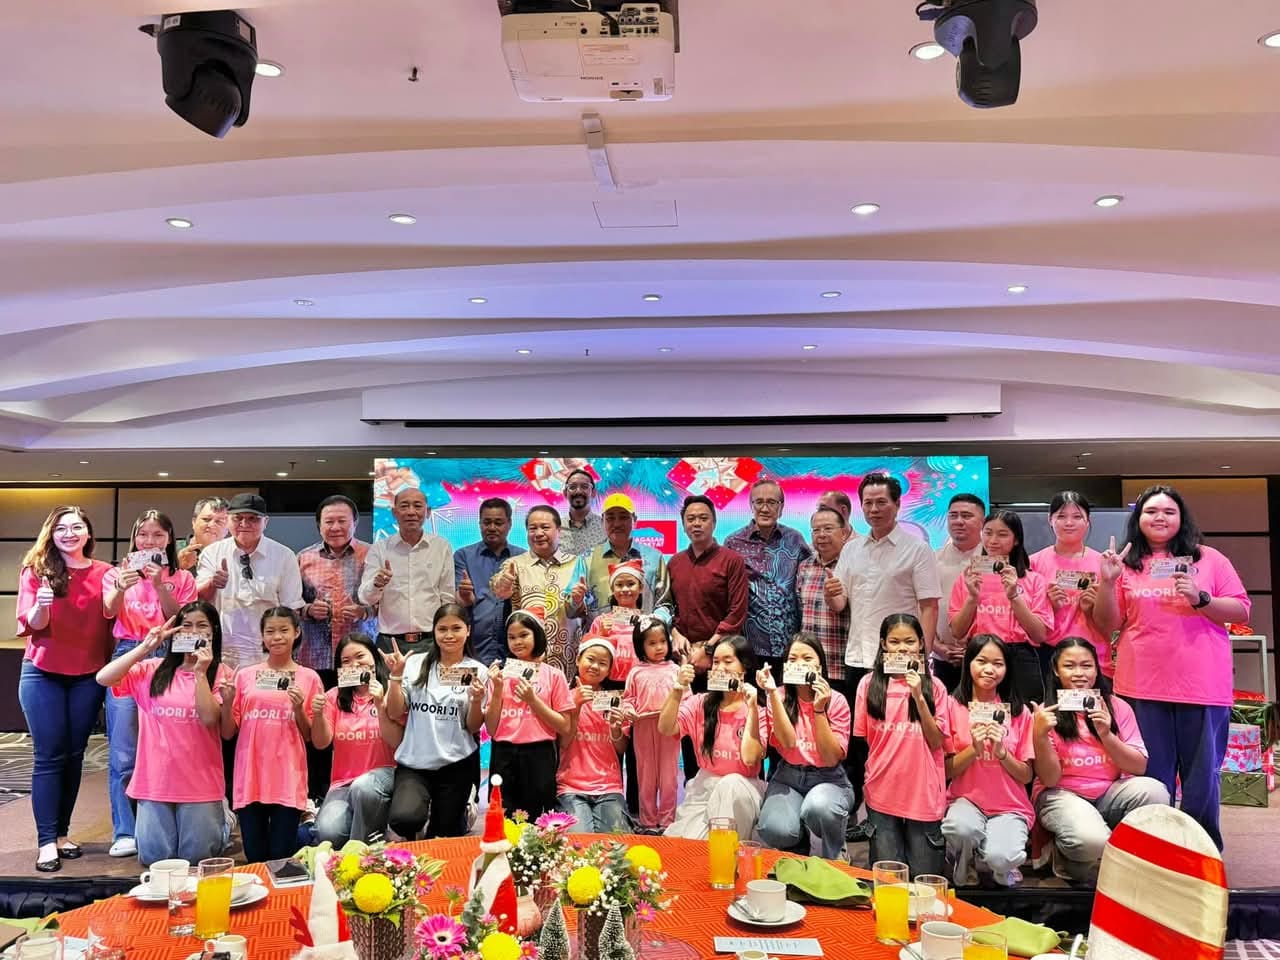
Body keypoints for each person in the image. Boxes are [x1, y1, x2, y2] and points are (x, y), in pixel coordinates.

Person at [1093, 485, 1250, 850]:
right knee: (1152, 778)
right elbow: (1107, 623)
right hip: (1141, 686)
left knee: (1202, 779)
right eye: (1151, 511)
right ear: (1138, 518)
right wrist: (1108, 582)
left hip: (1202, 686)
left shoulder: (1209, 559)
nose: (1159, 518)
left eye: (1168, 511)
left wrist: (1201, 597)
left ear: (1181, 518)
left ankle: (1200, 851)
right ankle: (1154, 851)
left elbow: (1241, 609)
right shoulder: (1127, 564)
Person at [827, 473, 941, 841]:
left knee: (900, 740)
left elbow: (929, 606)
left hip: (902, 663)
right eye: (868, 503)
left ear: (897, 504)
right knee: (858, 743)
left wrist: (922, 658)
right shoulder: (852, 550)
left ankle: (900, 814)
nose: (874, 509)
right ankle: (858, 815)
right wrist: (831, 593)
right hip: (858, 657)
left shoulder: (916, 549)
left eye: (882, 502)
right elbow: (841, 603)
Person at [17, 506, 115, 872]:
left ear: (88, 533)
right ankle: (46, 841)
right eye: (61, 528)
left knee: (75, 755)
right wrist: (42, 606)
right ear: (51, 533)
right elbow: (33, 624)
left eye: (76, 527)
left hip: (88, 675)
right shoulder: (36, 569)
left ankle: (61, 834)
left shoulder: (105, 573)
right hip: (42, 672)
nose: (69, 533)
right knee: (49, 755)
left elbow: (112, 615)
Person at [95, 601, 229, 866]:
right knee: (155, 858)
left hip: (201, 784)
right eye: (186, 625)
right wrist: (146, 647)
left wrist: (200, 673)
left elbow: (209, 718)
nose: (193, 632)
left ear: (213, 631)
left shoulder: (221, 673)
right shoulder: (152, 669)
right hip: (155, 783)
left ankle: (223, 818)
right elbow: (103, 678)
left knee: (198, 858)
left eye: (201, 625)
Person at [1031, 637, 1170, 884]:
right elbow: (1050, 779)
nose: (1079, 673)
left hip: (1110, 792)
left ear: (1097, 669)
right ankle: (1067, 853)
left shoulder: (1117, 707)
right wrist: (1040, 736)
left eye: (1086, 665)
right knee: (1090, 842)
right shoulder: (1046, 713)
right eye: (1069, 666)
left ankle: (1106, 852)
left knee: (1155, 792)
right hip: (1062, 794)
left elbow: (1139, 767)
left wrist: (1106, 734)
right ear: (1056, 671)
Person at [101, 510, 198, 858]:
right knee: (124, 747)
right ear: (134, 538)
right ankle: (125, 830)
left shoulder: (182, 577)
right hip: (130, 652)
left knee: (171, 742)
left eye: (158, 535)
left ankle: (162, 821)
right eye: (143, 534)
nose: (150, 541)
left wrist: (159, 585)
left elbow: (181, 618)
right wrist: (120, 588)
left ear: (169, 539)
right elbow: (108, 611)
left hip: (171, 655)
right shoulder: (116, 573)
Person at [220, 606, 323, 863]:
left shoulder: (309, 677)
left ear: (296, 632)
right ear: (263, 636)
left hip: (287, 776)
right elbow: (228, 731)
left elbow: (310, 736)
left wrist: (299, 708)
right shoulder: (244, 676)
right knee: (255, 857)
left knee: (280, 857)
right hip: (250, 776)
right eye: (270, 631)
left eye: (283, 630)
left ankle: (307, 834)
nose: (277, 637)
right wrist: (227, 702)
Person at [853, 614, 951, 876]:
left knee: (925, 880)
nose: (902, 648)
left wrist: (918, 697)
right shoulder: (867, 685)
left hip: (923, 795)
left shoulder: (936, 688)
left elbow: (936, 741)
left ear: (921, 644)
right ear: (883, 644)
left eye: (909, 641)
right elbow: (867, 739)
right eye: (894, 642)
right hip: (882, 792)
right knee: (888, 880)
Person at [383, 604, 486, 839]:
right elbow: (395, 711)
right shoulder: (414, 663)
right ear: (434, 631)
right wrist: (396, 676)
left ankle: (464, 808)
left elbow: (472, 727)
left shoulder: (478, 671)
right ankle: (423, 810)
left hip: (456, 763)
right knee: (404, 820)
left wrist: (477, 699)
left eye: (456, 628)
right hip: (415, 763)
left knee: (445, 835)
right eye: (442, 629)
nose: (449, 635)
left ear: (468, 630)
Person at [666, 495, 749, 782]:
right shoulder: (675, 562)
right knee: (691, 727)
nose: (697, 524)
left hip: (722, 661)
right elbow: (670, 608)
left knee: (724, 725)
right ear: (683, 524)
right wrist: (675, 633)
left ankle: (731, 785)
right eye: (691, 519)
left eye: (703, 518)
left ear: (714, 522)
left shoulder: (732, 561)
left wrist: (710, 650)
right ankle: (694, 786)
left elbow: (737, 612)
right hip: (686, 662)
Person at [942, 634, 1034, 887]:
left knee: (1001, 858)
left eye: (998, 663)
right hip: (965, 800)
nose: (989, 669)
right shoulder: (951, 706)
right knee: (960, 829)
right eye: (981, 661)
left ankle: (999, 861)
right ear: (968, 663)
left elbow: (1026, 775)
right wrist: (974, 749)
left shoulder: (1020, 712)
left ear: (1007, 669)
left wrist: (1002, 753)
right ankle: (964, 860)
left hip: (1010, 806)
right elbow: (945, 771)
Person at [661, 635, 768, 840]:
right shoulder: (700, 703)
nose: (720, 668)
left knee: (730, 785)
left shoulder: (758, 710)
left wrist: (752, 709)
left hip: (742, 789)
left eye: (728, 661)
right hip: (704, 788)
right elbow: (666, 729)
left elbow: (750, 758)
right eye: (716, 662)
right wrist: (677, 688)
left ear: (744, 667)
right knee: (684, 844)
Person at [756, 633, 853, 860]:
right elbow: (787, 742)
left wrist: (819, 709)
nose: (799, 664)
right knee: (774, 828)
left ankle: (836, 851)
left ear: (820, 665)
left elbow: (831, 758)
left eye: (807, 658)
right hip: (788, 775)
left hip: (829, 778)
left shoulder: (836, 700)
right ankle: (798, 846)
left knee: (819, 807)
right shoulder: (778, 696)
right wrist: (771, 692)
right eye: (793, 659)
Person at [948, 510, 1052, 705]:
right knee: (980, 715)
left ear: (1016, 540)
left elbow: (1039, 635)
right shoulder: (968, 578)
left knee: (1023, 717)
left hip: (1020, 658)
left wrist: (1014, 596)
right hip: (979, 654)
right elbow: (957, 631)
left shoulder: (1034, 580)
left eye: (1002, 534)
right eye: (988, 533)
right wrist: (972, 597)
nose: (993, 541)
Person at [310, 633, 399, 846]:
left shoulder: (391, 691)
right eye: (346, 661)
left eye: (360, 656)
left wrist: (380, 706)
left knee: (364, 787)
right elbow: (321, 743)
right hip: (344, 784)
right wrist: (318, 714)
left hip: (388, 776)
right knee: (328, 832)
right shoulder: (333, 696)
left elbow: (397, 741)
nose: (355, 664)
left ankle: (361, 853)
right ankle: (377, 833)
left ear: (374, 658)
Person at [197, 493, 304, 668]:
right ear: (228, 520)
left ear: (265, 522)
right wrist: (213, 584)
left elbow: (291, 610)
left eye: (253, 519)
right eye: (238, 518)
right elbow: (199, 600)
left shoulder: (284, 556)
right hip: (223, 652)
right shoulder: (212, 553)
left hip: (268, 653)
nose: (244, 524)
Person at [484, 611, 573, 819]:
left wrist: (533, 700)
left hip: (539, 754)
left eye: (524, 635)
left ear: (537, 635)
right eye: (511, 637)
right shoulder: (499, 676)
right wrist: (497, 691)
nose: (517, 642)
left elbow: (564, 726)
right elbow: (491, 729)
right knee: (505, 821)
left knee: (539, 821)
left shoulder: (554, 675)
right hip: (503, 754)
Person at [359, 486, 455, 659]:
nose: (411, 512)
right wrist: (377, 584)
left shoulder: (442, 547)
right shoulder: (379, 549)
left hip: (431, 640)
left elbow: (447, 598)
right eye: (404, 506)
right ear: (394, 512)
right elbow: (365, 598)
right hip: (390, 642)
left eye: (417, 506)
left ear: (428, 512)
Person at [489, 506, 584, 679]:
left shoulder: (578, 563)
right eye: (532, 528)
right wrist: (503, 584)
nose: (538, 533)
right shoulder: (514, 564)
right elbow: (500, 591)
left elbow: (585, 609)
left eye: (545, 527)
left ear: (559, 531)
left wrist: (578, 600)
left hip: (568, 656)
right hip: (526, 660)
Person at [724, 479, 812, 667]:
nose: (765, 508)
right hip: (750, 645)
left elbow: (809, 579)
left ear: (781, 507)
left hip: (791, 645)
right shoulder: (733, 543)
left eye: (772, 502)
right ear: (751, 505)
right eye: (759, 502)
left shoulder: (795, 540)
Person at [1030, 492, 1109, 681]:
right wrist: (1049, 606)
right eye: (1061, 516)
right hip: (1047, 654)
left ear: (1088, 521)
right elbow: (1026, 619)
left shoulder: (1103, 564)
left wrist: (1092, 609)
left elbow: (1113, 624)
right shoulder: (1033, 563)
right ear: (1050, 520)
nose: (1069, 523)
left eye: (1077, 516)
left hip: (1093, 655)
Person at [557, 636, 631, 833]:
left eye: (603, 663)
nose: (595, 666)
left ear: (609, 670)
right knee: (577, 842)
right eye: (590, 659)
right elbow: (563, 743)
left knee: (617, 843)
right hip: (570, 787)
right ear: (578, 659)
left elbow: (621, 749)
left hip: (609, 787)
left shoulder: (615, 701)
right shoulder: (564, 696)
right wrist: (576, 707)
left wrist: (615, 728)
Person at [573, 493, 672, 624]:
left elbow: (665, 604)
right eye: (610, 518)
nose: (617, 523)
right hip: (600, 635)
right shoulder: (587, 559)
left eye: (623, 517)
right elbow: (571, 611)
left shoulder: (654, 557)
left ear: (634, 519)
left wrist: (652, 622)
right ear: (602, 521)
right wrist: (576, 601)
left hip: (643, 634)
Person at [623, 617, 681, 831]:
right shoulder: (636, 672)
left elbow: (687, 700)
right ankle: (647, 821)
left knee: (669, 776)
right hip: (643, 728)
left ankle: (667, 821)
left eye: (663, 641)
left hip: (670, 728)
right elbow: (628, 699)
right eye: (652, 643)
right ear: (641, 646)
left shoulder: (675, 670)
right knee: (645, 775)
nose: (659, 647)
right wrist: (629, 711)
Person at [454, 498, 526, 666]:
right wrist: (465, 596)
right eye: (487, 522)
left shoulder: (523, 558)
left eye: (498, 523)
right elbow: (460, 601)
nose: (492, 527)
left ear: (509, 524)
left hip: (515, 648)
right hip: (474, 647)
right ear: (479, 524)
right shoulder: (463, 556)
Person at [795, 507, 851, 697]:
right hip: (807, 666)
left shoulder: (852, 565)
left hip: (840, 666)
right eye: (816, 530)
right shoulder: (804, 566)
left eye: (828, 528)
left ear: (843, 533)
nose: (821, 535)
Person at [932, 493, 985, 691]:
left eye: (967, 516)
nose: (959, 521)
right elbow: (921, 608)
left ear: (982, 521)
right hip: (944, 657)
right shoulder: (932, 559)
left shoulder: (994, 561)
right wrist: (938, 647)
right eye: (953, 515)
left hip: (986, 657)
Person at [560, 468, 606, 556]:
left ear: (593, 493)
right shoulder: (555, 528)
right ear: (565, 493)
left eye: (584, 487)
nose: (578, 491)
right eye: (572, 487)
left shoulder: (605, 526)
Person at [177, 497, 229, 572]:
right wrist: (177, 565)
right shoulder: (171, 549)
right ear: (194, 522)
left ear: (228, 529)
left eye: (219, 522)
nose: (211, 525)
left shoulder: (235, 555)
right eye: (206, 519)